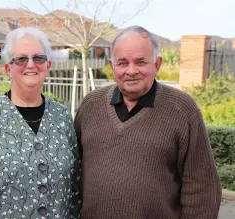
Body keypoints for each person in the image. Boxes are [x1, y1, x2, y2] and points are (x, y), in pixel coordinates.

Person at [74, 25, 222, 219]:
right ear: (112, 67)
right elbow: (72, 171)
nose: (131, 70)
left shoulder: (182, 109)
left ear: (157, 65)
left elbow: (202, 186)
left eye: (141, 61)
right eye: (123, 62)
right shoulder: (91, 105)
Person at [0, 27, 82, 218]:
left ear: (48, 65)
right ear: (8, 68)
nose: (31, 65)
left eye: (38, 58)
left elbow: (74, 184)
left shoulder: (62, 116)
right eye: (21, 59)